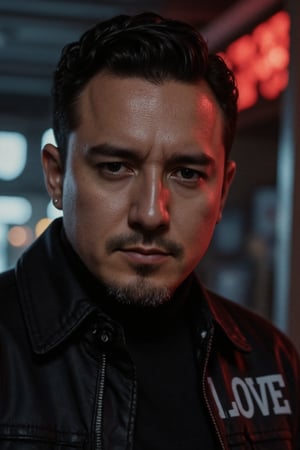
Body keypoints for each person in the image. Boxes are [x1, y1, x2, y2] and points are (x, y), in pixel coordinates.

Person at [0, 11, 299, 450]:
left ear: (223, 189)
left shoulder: (268, 358)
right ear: (56, 177)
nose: (152, 212)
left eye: (187, 173)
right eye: (116, 167)